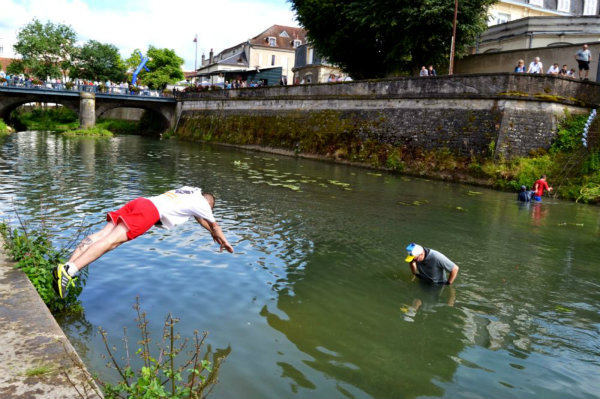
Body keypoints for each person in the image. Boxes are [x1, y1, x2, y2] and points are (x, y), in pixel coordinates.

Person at [53, 186, 234, 299]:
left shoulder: (191, 191)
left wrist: (210, 231)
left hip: (141, 202)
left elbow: (200, 219)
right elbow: (213, 224)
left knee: (102, 234)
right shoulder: (203, 205)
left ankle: (66, 267)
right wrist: (223, 240)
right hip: (149, 212)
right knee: (111, 242)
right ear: (209, 205)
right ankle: (70, 271)